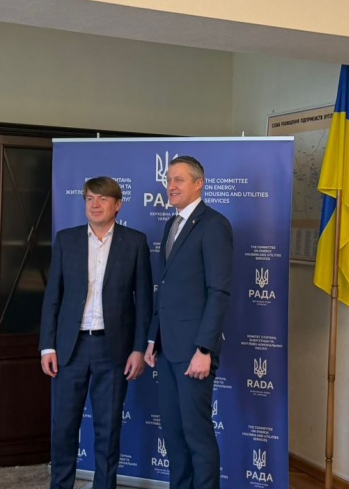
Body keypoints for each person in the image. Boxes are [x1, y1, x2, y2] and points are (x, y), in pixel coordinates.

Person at [39, 177, 153, 489]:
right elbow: (53, 297)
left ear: (117, 205)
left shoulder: (135, 242)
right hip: (70, 348)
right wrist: (47, 346)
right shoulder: (67, 240)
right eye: (89, 198)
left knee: (108, 429)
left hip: (113, 350)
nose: (95, 204)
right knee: (64, 427)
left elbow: (144, 301)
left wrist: (138, 348)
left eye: (102, 198)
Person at [144, 155, 233, 489]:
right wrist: (152, 339)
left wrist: (204, 349)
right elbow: (166, 288)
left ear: (199, 184)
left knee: (197, 433)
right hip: (167, 348)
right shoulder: (171, 224)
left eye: (179, 179)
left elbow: (218, 291)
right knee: (174, 432)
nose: (171, 186)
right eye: (169, 180)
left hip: (194, 350)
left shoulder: (214, 225)